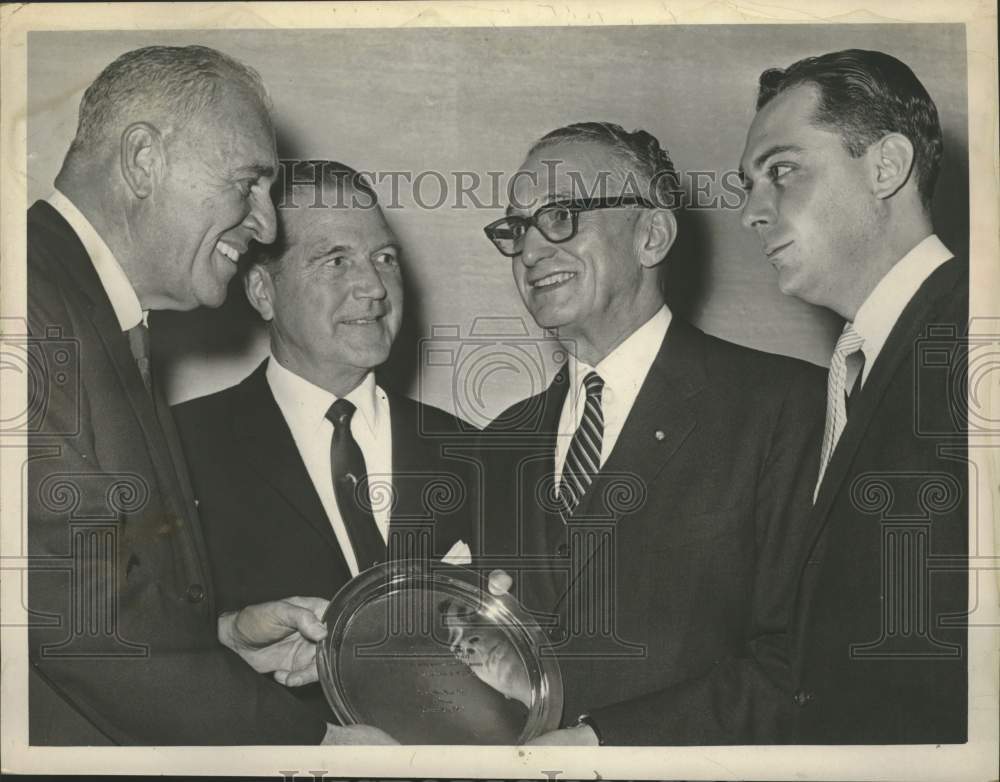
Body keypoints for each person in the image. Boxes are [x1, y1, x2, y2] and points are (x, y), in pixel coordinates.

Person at [27, 45, 387, 745]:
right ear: (142, 160)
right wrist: (313, 747)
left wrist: (221, 640)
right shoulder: (26, 300)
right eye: (247, 183)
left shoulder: (89, 311)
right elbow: (75, 616)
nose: (267, 226)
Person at [478, 121, 826, 745]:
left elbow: (802, 669)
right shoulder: (501, 440)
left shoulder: (785, 407)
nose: (529, 251)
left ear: (651, 234)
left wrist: (605, 742)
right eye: (517, 228)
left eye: (560, 216)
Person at [172, 161, 478, 718]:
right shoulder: (178, 449)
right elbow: (127, 645)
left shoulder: (472, 452)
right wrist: (223, 634)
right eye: (336, 261)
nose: (375, 287)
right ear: (264, 291)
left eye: (384, 259)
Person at [738, 49, 967, 743]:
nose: (751, 213)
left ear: (886, 167)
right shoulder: (855, 366)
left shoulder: (976, 341)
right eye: (748, 186)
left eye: (782, 172)